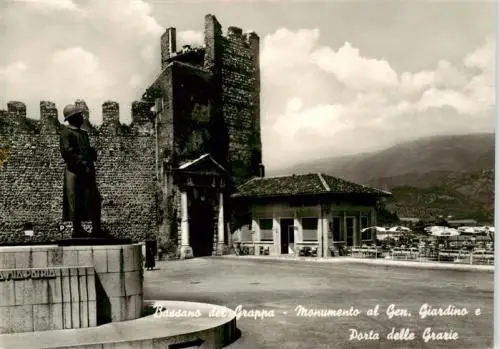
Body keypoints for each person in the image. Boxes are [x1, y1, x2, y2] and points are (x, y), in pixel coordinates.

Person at [60, 104, 104, 238]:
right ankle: (77, 229)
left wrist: (91, 154)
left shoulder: (83, 134)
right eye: (79, 115)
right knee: (76, 200)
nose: (82, 117)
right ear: (73, 118)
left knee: (94, 199)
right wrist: (82, 164)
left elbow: (85, 150)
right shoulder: (66, 132)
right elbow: (67, 152)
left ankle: (97, 228)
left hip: (87, 171)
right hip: (75, 172)